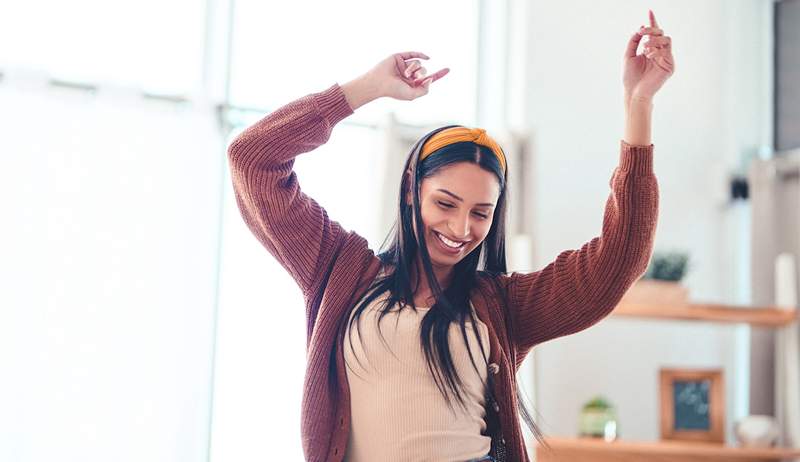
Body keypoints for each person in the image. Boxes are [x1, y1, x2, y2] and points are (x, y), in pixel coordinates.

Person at [226, 10, 673, 462]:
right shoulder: (338, 269)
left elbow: (621, 257)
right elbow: (252, 159)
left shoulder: (504, 306)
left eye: (481, 213)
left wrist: (639, 105)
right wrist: (367, 88)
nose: (461, 230)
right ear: (409, 191)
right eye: (445, 204)